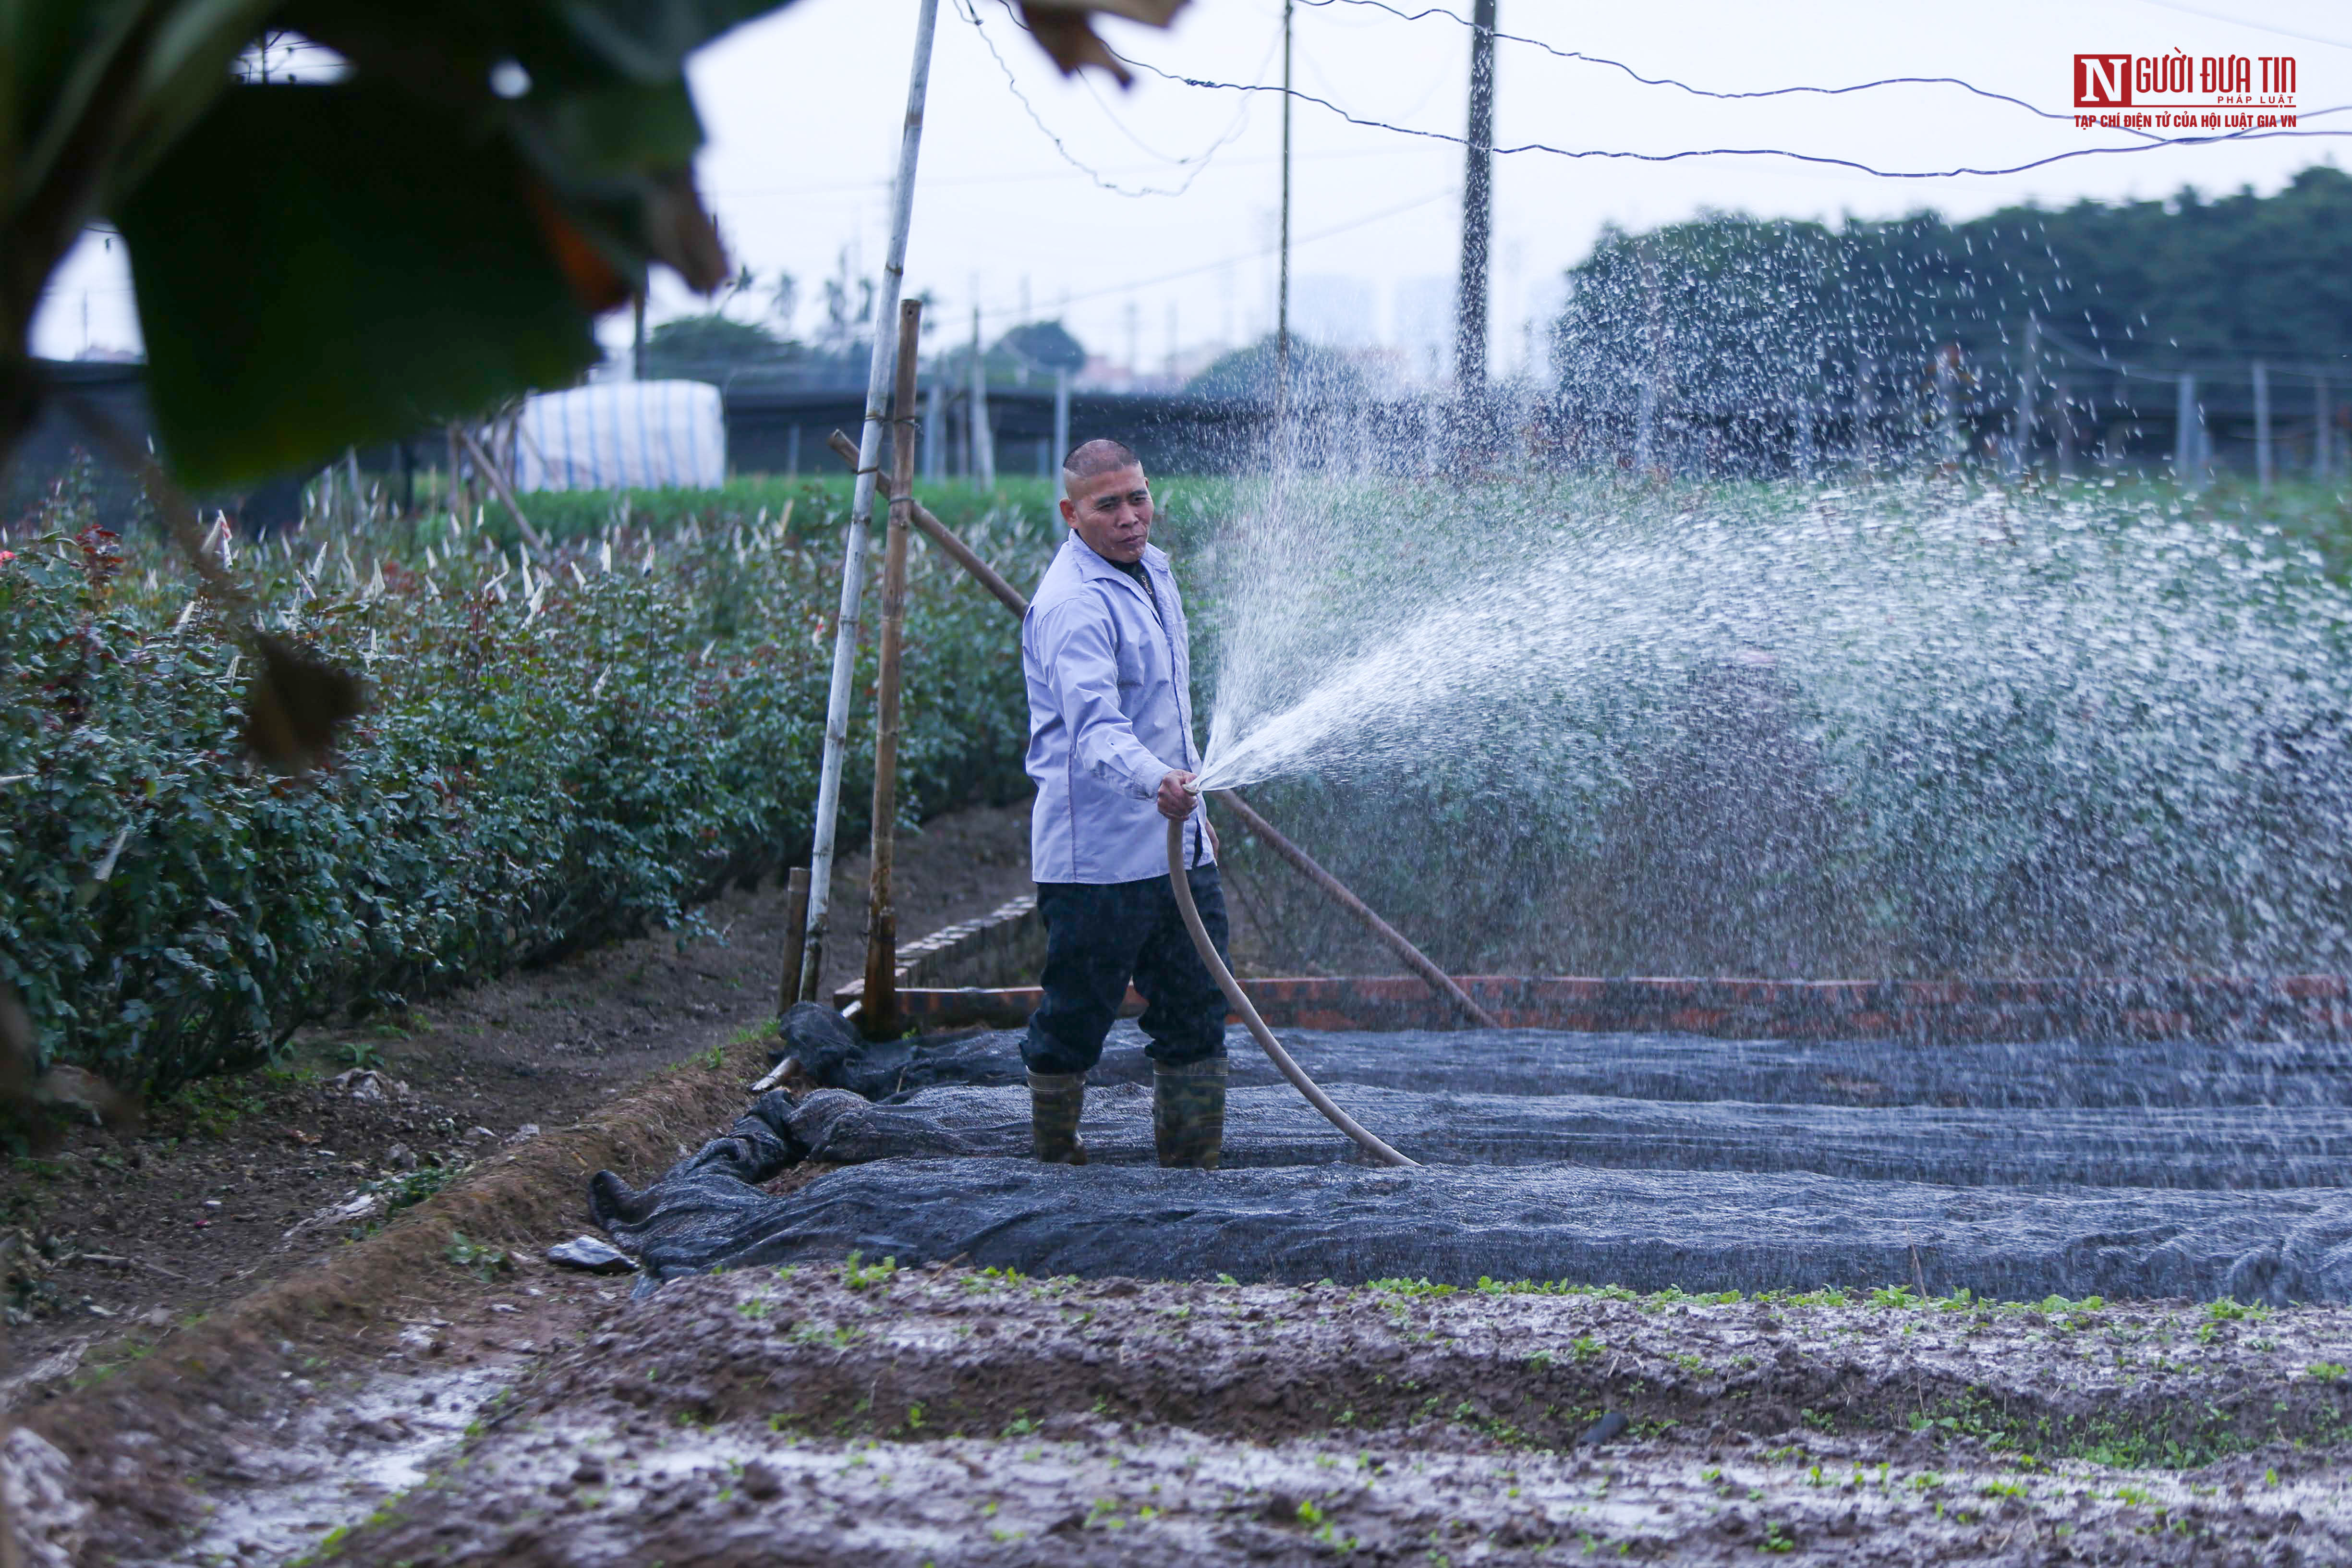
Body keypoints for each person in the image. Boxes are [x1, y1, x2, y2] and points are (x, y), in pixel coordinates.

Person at [1019, 438, 1228, 1169]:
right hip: (1098, 859)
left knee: (1198, 1009)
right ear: (1071, 513)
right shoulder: (1073, 605)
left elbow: (1169, 710)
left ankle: (1192, 1169)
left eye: (1137, 496)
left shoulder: (1152, 572)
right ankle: (1056, 1156)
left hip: (1179, 849)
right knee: (1077, 1015)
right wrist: (1158, 783)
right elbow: (1095, 729)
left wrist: (1194, 811)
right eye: (1107, 504)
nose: (1130, 516)